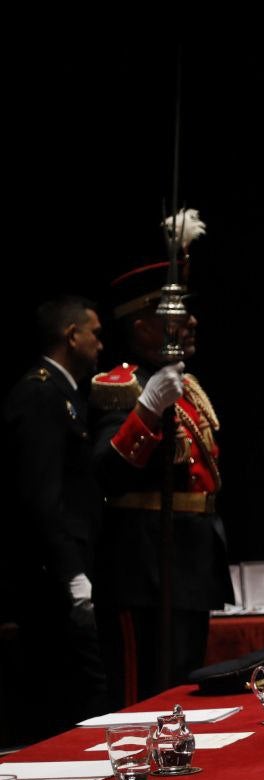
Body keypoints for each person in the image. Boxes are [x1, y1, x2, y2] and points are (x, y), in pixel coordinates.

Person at [90, 213, 234, 706]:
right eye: (174, 315)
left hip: (188, 563)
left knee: (181, 689)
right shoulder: (126, 386)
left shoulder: (184, 385)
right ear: (141, 326)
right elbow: (105, 472)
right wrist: (148, 410)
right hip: (144, 569)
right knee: (142, 695)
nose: (190, 322)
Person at [1, 296, 108, 741]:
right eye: (95, 333)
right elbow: (42, 496)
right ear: (72, 336)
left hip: (66, 568)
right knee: (75, 699)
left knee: (81, 695)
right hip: (52, 579)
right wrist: (71, 575)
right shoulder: (42, 393)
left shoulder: (63, 394)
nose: (101, 345)